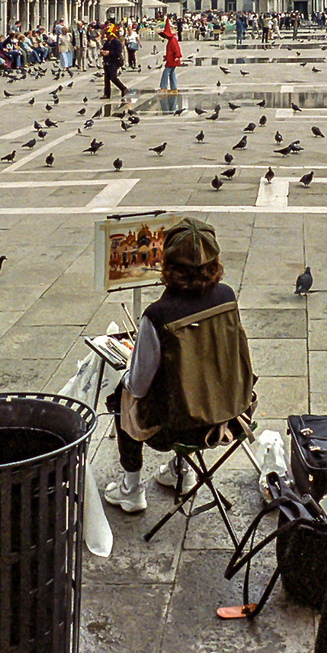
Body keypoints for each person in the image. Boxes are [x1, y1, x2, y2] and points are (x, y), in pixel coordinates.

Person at [101, 220, 253, 513]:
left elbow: (139, 385)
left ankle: (131, 488)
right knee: (192, 378)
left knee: (121, 394)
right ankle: (181, 472)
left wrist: (124, 367)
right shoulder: (227, 296)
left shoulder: (158, 315)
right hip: (231, 413)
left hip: (177, 427)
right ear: (214, 263)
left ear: (167, 265)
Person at [101, 23, 129, 100]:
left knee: (113, 77)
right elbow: (104, 48)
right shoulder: (107, 42)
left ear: (112, 34)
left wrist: (109, 52)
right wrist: (102, 51)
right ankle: (107, 94)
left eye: (108, 34)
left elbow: (118, 52)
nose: (106, 35)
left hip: (114, 62)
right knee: (106, 78)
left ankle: (123, 88)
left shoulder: (116, 42)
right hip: (107, 61)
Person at [159, 19, 182, 93]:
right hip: (171, 59)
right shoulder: (171, 40)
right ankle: (174, 88)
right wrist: (166, 57)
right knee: (172, 73)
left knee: (166, 72)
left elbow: (176, 49)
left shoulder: (172, 40)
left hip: (172, 60)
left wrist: (177, 56)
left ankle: (163, 87)